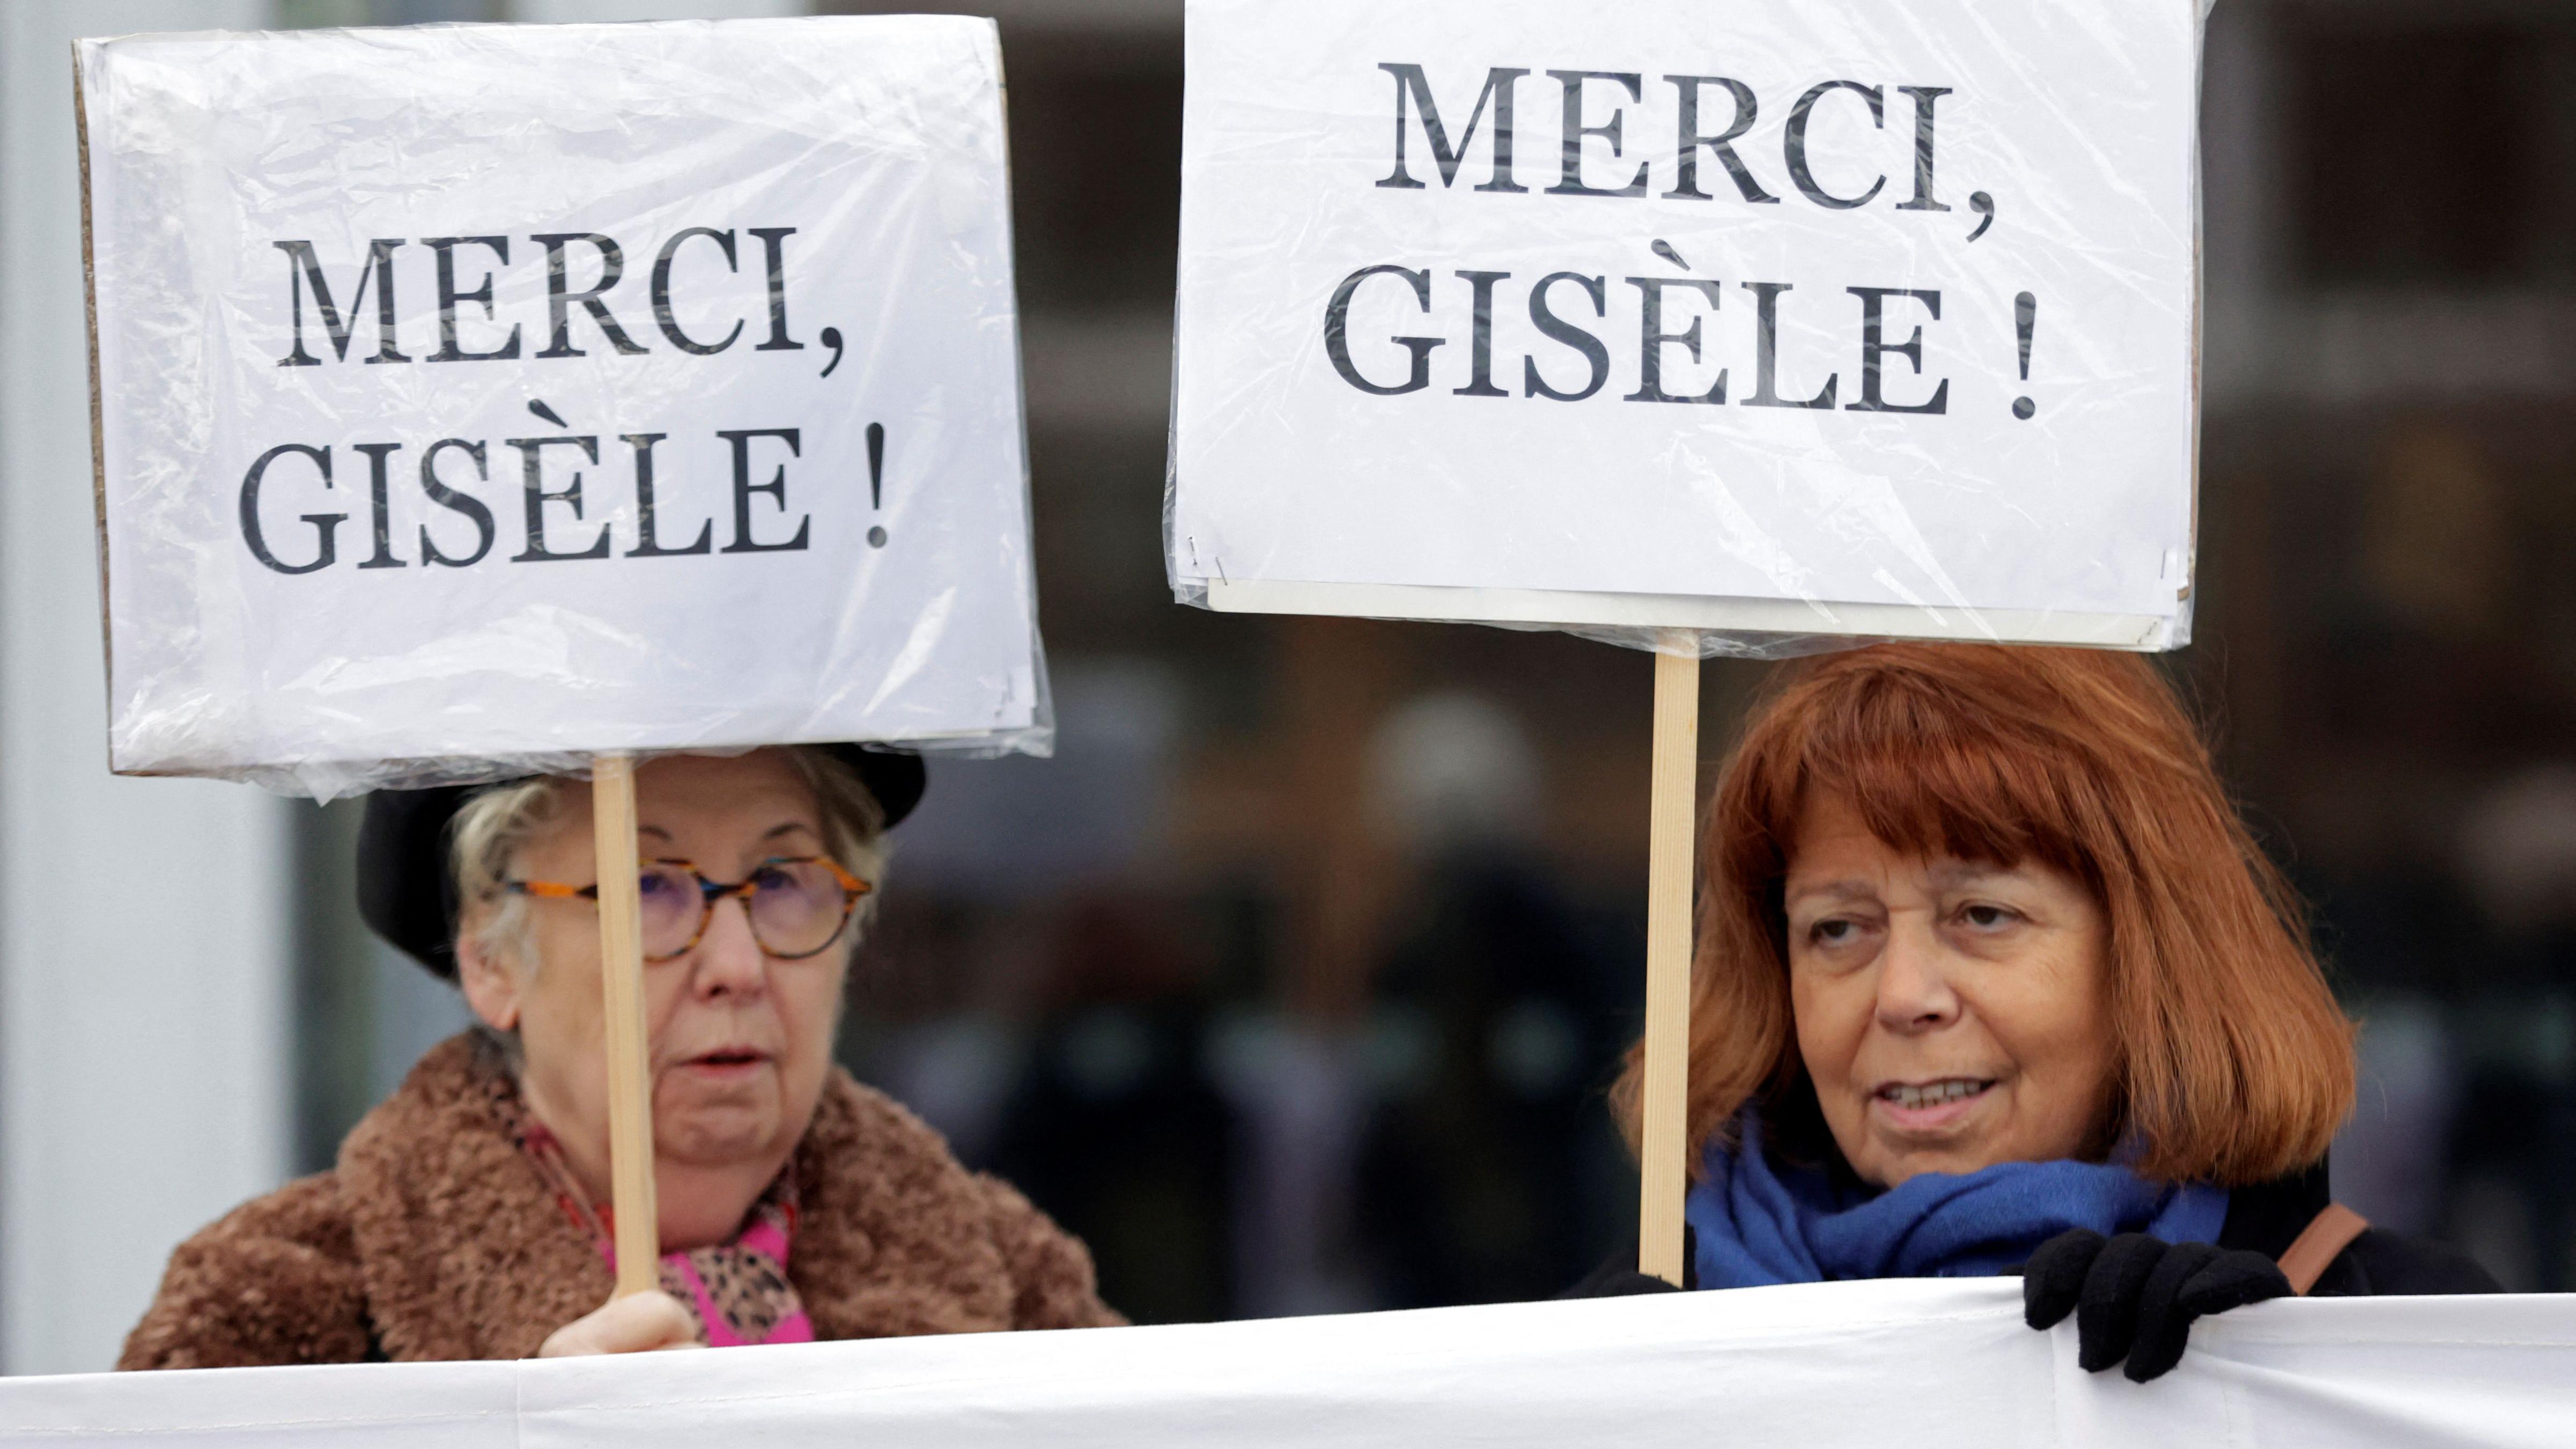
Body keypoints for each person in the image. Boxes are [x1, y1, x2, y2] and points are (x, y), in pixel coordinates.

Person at [1573, 644, 2497, 1380]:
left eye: (1983, 915)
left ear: (2148, 954)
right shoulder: (1623, 1345)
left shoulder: (2399, 1337)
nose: (1902, 997)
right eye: (1839, 928)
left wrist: (2248, 1402)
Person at [122, 746, 1121, 1366]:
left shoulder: (1016, 1293)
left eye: (782, 879)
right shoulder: (279, 1308)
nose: (737, 964)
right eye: (646, 886)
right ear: (489, 956)